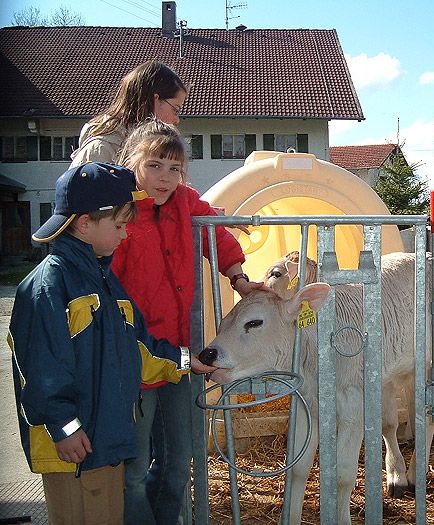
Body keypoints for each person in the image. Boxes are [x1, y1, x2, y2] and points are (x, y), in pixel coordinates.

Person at [8, 162, 212, 524]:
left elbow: (138, 348)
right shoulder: (49, 288)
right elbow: (41, 371)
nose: (125, 235)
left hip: (102, 438)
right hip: (73, 449)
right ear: (84, 225)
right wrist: (65, 428)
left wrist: (188, 361)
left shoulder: (102, 278)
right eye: (119, 226)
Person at [112, 119, 262, 524]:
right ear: (133, 163)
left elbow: (218, 237)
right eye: (155, 165)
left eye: (174, 168)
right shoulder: (121, 210)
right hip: (136, 359)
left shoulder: (186, 202)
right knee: (134, 469)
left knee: (179, 460)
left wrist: (238, 277)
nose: (165, 177)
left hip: (179, 356)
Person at [70, 60, 186, 167]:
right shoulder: (100, 149)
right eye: (175, 110)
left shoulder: (148, 147)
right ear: (154, 100)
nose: (177, 120)